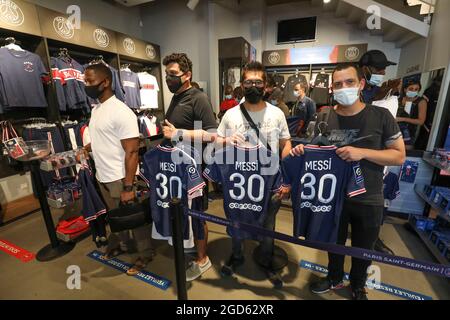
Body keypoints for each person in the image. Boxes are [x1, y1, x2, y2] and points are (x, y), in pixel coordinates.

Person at [292, 63, 405, 300]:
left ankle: (357, 285)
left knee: (363, 248)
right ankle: (334, 277)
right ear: (332, 88)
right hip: (332, 197)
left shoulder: (381, 116)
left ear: (361, 84)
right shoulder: (324, 115)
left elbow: (398, 155)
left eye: (349, 82)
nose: (344, 88)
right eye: (338, 84)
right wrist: (303, 149)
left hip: (369, 196)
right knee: (334, 243)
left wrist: (362, 153)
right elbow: (315, 147)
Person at [215, 61, 292, 284]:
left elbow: (286, 143)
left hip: (268, 184)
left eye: (258, 82)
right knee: (237, 221)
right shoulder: (230, 115)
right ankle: (237, 255)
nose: (253, 86)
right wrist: (225, 141)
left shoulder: (277, 114)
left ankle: (267, 260)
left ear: (266, 86)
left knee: (268, 224)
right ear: (242, 84)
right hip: (239, 185)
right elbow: (218, 142)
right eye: (249, 82)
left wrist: (285, 176)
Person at [81, 63, 154, 276]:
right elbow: (103, 137)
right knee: (115, 216)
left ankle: (145, 254)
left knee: (135, 218)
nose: (86, 85)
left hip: (121, 177)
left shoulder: (122, 112)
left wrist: (128, 186)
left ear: (105, 82)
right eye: (85, 81)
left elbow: (132, 152)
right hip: (102, 175)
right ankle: (123, 245)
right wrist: (87, 148)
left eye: (90, 81)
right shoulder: (97, 109)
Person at [161, 53, 218, 282]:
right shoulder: (176, 97)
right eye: (166, 74)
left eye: (173, 74)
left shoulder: (198, 98)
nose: (168, 78)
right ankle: (190, 245)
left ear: (187, 75)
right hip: (178, 168)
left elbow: (212, 134)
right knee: (183, 210)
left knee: (198, 214)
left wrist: (178, 134)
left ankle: (203, 259)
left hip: (195, 168)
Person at [359, 49, 400, 256]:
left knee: (374, 202)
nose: (382, 73)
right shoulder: (356, 91)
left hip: (378, 156)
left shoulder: (382, 93)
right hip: (355, 158)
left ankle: (372, 239)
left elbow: (398, 152)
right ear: (365, 70)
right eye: (379, 69)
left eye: (384, 70)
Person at [396, 80, 428, 150]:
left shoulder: (421, 101)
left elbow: (421, 121)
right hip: (395, 130)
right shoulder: (399, 99)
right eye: (411, 89)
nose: (413, 91)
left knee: (406, 153)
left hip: (410, 132)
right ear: (405, 89)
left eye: (416, 89)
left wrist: (401, 119)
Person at [416, 75, 442, 150]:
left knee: (423, 137)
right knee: (424, 138)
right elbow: (427, 105)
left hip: (429, 119)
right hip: (428, 119)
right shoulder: (431, 90)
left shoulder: (431, 90)